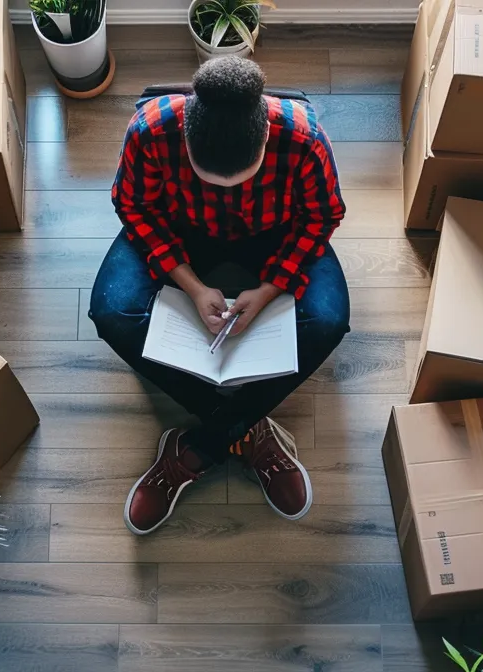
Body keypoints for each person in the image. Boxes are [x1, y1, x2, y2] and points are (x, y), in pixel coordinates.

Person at [87, 56, 350, 536]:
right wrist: (189, 283)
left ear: (266, 138)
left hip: (273, 235)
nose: (228, 191)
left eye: (242, 179)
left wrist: (270, 289)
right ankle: (245, 430)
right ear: (186, 137)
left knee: (330, 320)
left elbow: (322, 218)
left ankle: (202, 445)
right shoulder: (150, 130)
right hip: (181, 231)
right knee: (110, 310)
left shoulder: (305, 139)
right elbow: (133, 205)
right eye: (211, 180)